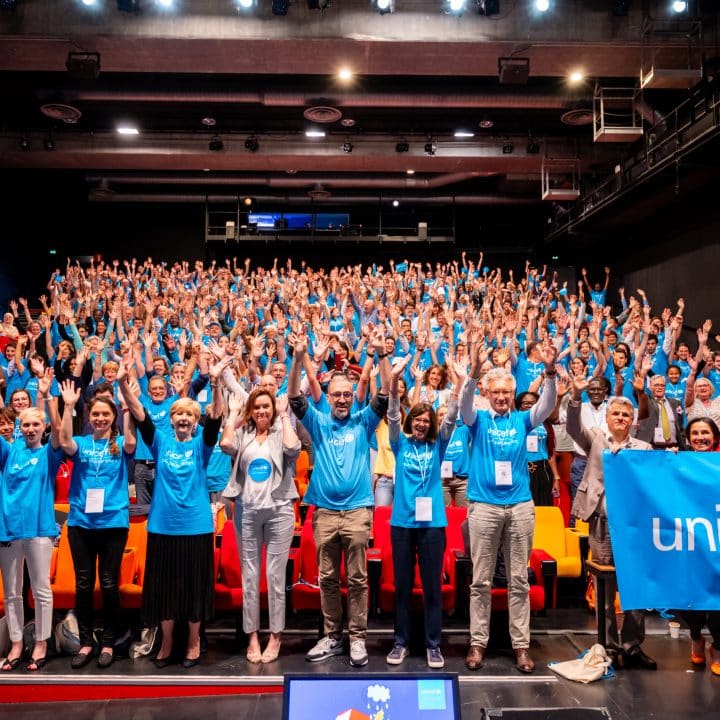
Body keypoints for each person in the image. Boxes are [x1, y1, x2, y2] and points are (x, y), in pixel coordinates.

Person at [288, 326, 390, 668]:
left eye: (347, 394)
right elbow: (294, 399)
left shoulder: (363, 422)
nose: (343, 399)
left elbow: (385, 397)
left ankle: (357, 637)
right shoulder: (318, 423)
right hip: (325, 512)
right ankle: (333, 636)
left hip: (358, 511)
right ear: (328, 397)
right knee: (328, 577)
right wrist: (298, 359)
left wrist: (381, 354)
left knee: (358, 578)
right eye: (337, 395)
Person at [118, 356, 229, 668]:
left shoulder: (202, 446)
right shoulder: (161, 442)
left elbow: (216, 420)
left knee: (194, 587)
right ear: (172, 418)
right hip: (163, 527)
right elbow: (140, 416)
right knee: (164, 587)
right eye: (178, 413)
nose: (183, 418)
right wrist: (124, 386)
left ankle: (193, 641)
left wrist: (217, 383)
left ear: (195, 421)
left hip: (196, 527)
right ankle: (167, 641)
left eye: (189, 415)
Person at [460, 342, 558, 674]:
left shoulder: (522, 420)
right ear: (487, 392)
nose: (501, 396)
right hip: (484, 506)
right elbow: (463, 407)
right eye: (496, 391)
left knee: (519, 580)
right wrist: (473, 373)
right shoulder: (478, 420)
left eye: (506, 391)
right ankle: (478, 642)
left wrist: (550, 372)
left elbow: (546, 406)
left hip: (519, 507)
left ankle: (521, 646)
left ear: (512, 393)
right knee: (480, 581)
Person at [567, 376, 657, 670]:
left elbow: (652, 482)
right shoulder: (595, 439)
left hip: (634, 526)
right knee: (604, 588)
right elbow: (571, 427)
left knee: (635, 586)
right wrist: (576, 397)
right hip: (602, 522)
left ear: (633, 421)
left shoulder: (643, 448)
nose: (620, 418)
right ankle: (608, 645)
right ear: (607, 418)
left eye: (626, 415)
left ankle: (632, 646)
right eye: (616, 413)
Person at [384, 359, 465, 668]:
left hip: (432, 525)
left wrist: (457, 384)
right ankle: (401, 641)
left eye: (426, 420)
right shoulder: (400, 443)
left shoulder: (438, 445)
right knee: (403, 586)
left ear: (432, 424)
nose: (421, 424)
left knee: (432, 586)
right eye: (416, 419)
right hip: (402, 524)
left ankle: (433, 644)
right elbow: (393, 413)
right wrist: (394, 379)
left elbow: (453, 417)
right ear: (411, 422)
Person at [58, 375, 137, 670]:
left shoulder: (120, 443)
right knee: (83, 583)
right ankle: (86, 642)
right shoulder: (81, 442)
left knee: (108, 583)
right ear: (89, 418)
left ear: (113, 416)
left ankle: (108, 641)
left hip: (113, 523)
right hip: (80, 522)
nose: (100, 418)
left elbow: (131, 441)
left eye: (106, 414)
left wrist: (127, 408)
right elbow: (64, 440)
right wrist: (68, 407)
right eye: (96, 414)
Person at [220, 388, 301, 664]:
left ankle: (276, 635)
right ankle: (252, 635)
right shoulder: (243, 435)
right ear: (251, 411)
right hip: (247, 511)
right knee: (250, 577)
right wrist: (232, 416)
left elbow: (293, 448)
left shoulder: (280, 432)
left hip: (279, 511)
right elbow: (225, 445)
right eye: (257, 407)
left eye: (266, 407)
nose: (262, 411)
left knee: (276, 577)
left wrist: (284, 416)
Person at [0, 398, 63, 672]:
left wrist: (51, 399)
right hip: (9, 529)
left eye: (35, 424)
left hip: (39, 529)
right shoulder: (9, 452)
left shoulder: (49, 453)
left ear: (43, 426)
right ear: (18, 427)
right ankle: (15, 643)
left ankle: (41, 642)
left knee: (41, 590)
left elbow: (61, 434)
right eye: (25, 424)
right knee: (12, 592)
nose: (30, 428)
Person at [679, 417, 720, 676]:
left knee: (718, 596)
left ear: (715, 436)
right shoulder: (680, 462)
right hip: (688, 541)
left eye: (705, 432)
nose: (700, 437)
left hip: (717, 540)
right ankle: (696, 636)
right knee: (687, 597)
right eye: (695, 433)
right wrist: (667, 462)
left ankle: (718, 647)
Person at [515, 391, 561, 506]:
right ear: (519, 405)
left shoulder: (544, 422)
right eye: (525, 403)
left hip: (543, 469)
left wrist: (556, 477)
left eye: (533, 403)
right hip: (522, 469)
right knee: (524, 506)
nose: (529, 405)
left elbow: (549, 452)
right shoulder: (515, 420)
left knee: (544, 505)